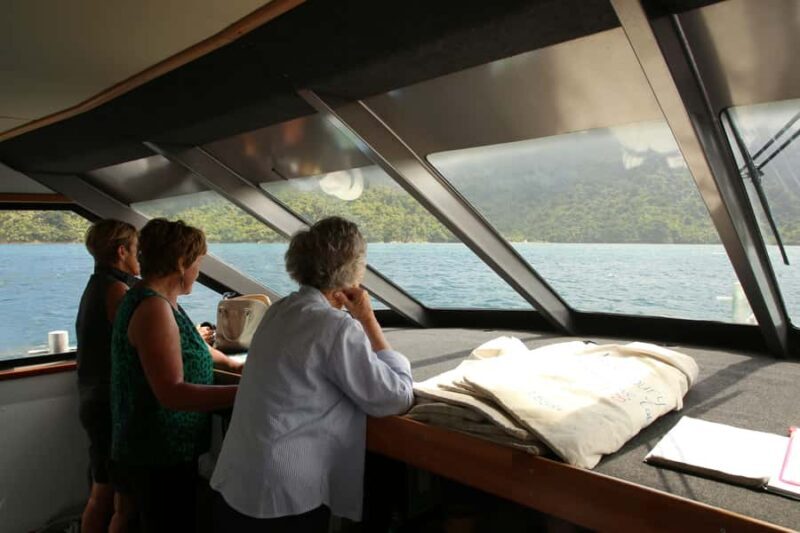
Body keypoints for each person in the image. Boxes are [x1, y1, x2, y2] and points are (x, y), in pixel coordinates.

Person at [211, 216, 414, 532]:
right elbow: (394, 397)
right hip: (282, 495)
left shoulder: (278, 311)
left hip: (238, 479)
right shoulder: (335, 328)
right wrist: (368, 319)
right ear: (353, 270)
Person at [110, 218, 241, 533]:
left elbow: (191, 346)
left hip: (151, 448)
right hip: (158, 454)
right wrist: (246, 392)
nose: (198, 271)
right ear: (182, 263)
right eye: (197, 263)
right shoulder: (154, 309)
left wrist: (237, 366)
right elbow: (173, 393)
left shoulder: (158, 300)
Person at [75, 219, 140, 533]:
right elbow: (134, 339)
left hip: (93, 399)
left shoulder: (96, 284)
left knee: (103, 490)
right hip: (107, 404)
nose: (140, 258)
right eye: (137, 250)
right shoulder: (117, 288)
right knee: (111, 498)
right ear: (121, 251)